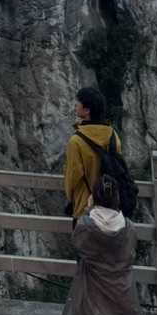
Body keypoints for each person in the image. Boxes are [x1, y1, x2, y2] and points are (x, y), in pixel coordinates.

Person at [58, 173, 141, 315]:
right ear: (117, 198)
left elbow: (78, 246)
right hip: (123, 295)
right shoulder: (129, 228)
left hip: (91, 296)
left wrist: (89, 210)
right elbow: (130, 254)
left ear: (93, 197)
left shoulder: (85, 227)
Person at [64, 87, 123, 223]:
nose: (75, 106)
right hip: (111, 210)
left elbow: (72, 178)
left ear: (87, 110)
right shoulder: (113, 136)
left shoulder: (76, 141)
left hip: (85, 210)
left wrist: (72, 198)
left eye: (78, 103)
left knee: (85, 243)